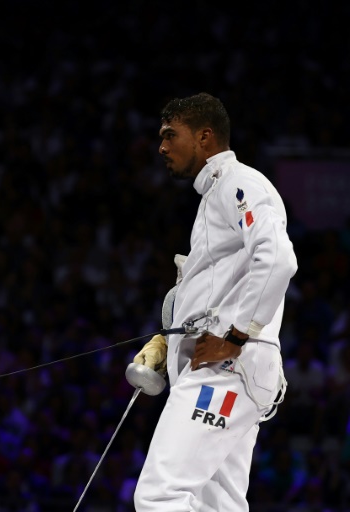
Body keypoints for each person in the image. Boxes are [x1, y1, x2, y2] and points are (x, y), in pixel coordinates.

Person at [131, 92, 298, 510]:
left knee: (160, 495)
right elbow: (214, 295)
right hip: (228, 368)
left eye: (171, 135)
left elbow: (277, 258)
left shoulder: (239, 182)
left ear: (205, 137)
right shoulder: (213, 199)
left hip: (227, 367)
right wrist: (168, 339)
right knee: (217, 505)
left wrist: (237, 336)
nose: (162, 146)